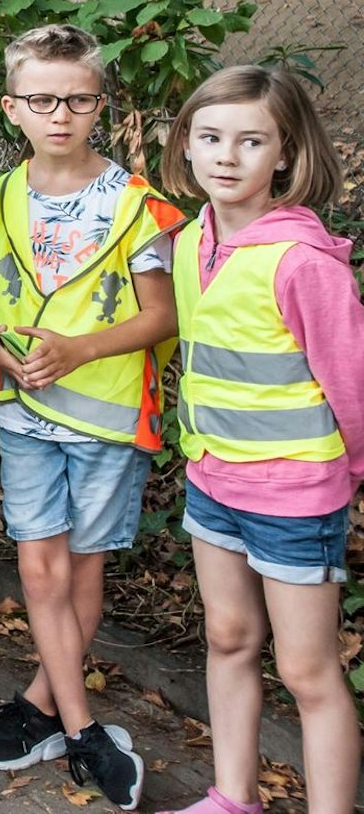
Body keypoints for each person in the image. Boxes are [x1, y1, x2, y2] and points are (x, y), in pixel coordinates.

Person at [0, 24, 184, 811]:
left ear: (100, 105)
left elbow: (163, 316)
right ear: (12, 107)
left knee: (80, 570)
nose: (61, 114)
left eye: (79, 98)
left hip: (106, 418)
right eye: (43, 99)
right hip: (24, 412)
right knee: (36, 568)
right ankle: (81, 727)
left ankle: (43, 708)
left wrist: (82, 349)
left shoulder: (137, 206)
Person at [155, 66, 362, 814]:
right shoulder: (187, 243)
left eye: (250, 141)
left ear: (285, 152)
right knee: (230, 637)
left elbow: (352, 385)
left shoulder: (303, 262)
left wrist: (348, 473)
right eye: (210, 137)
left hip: (295, 496)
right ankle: (231, 798)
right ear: (187, 142)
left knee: (308, 672)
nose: (226, 157)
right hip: (213, 483)